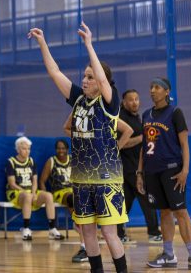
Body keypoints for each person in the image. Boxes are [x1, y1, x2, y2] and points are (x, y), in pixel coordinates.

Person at [29, 22, 131, 273]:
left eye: (89, 77)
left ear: (101, 81)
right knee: (87, 231)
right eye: (83, 77)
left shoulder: (109, 101)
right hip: (82, 178)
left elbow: (103, 80)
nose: (84, 81)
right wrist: (43, 43)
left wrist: (89, 45)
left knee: (108, 232)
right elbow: (54, 72)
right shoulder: (78, 100)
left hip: (106, 180)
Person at [138, 77, 191, 271]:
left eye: (157, 87)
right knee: (164, 212)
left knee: (181, 212)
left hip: (172, 170)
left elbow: (184, 144)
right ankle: (168, 254)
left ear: (167, 91)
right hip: (151, 172)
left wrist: (184, 170)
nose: (152, 90)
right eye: (151, 87)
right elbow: (144, 147)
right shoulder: (146, 115)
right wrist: (139, 172)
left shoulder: (175, 113)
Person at [115, 89, 161, 243]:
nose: (134, 102)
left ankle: (119, 235)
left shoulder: (137, 118)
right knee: (146, 197)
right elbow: (120, 144)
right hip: (128, 168)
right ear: (124, 102)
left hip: (136, 166)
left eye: (136, 99)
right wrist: (141, 137)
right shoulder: (120, 118)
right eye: (130, 99)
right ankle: (154, 232)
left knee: (125, 203)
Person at [5, 135, 65, 241]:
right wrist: (27, 193)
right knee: (27, 196)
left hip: (30, 192)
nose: (27, 151)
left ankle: (52, 228)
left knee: (48, 196)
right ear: (18, 149)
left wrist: (33, 193)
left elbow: (35, 181)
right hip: (16, 193)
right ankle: (26, 228)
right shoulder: (11, 162)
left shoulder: (31, 161)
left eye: (28, 149)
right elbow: (12, 183)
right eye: (24, 148)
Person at [39, 138, 88, 263]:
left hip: (74, 190)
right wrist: (44, 192)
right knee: (72, 197)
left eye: (63, 148)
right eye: (58, 148)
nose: (60, 150)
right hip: (59, 192)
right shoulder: (51, 161)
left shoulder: (73, 160)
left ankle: (81, 224)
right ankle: (77, 221)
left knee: (81, 197)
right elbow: (42, 181)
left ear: (67, 149)